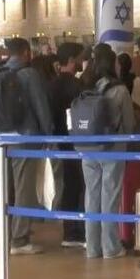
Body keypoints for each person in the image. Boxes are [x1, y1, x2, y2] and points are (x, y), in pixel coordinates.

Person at [0, 37, 54, 255]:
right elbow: (41, 107)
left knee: (1, 189)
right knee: (24, 189)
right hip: (24, 139)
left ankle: (1, 235)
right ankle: (19, 239)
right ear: (26, 52)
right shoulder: (29, 74)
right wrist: (47, 134)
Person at [82, 46, 136, 260]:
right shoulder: (120, 90)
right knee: (110, 196)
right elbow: (129, 123)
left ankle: (92, 247)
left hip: (87, 148)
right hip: (113, 148)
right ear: (113, 64)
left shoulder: (86, 86)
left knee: (91, 196)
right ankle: (111, 247)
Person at [49, 43, 87, 248]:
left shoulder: (52, 84)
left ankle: (69, 230)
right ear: (72, 60)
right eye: (80, 58)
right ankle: (76, 231)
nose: (82, 61)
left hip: (58, 140)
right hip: (74, 141)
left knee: (68, 184)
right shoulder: (75, 85)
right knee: (78, 185)